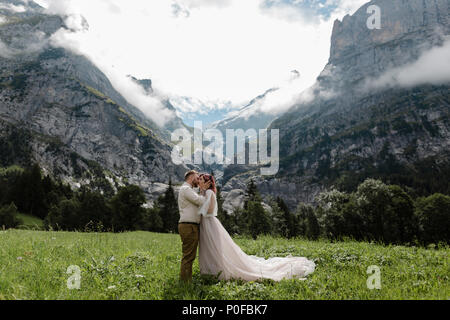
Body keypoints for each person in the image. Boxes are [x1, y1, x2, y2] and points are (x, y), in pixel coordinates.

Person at [198, 173, 316, 282]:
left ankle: (216, 270)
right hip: (207, 223)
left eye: (201, 179)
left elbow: (209, 210)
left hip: (209, 222)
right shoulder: (204, 192)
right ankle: (211, 270)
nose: (199, 181)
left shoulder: (208, 193)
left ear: (207, 182)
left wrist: (201, 202)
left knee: (214, 247)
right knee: (210, 247)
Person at [178, 170, 211, 282]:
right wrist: (203, 190)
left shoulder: (189, 190)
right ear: (191, 177)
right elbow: (200, 201)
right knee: (188, 256)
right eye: (197, 178)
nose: (198, 180)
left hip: (190, 226)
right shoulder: (186, 189)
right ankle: (185, 283)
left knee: (190, 255)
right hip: (188, 226)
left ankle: (186, 280)